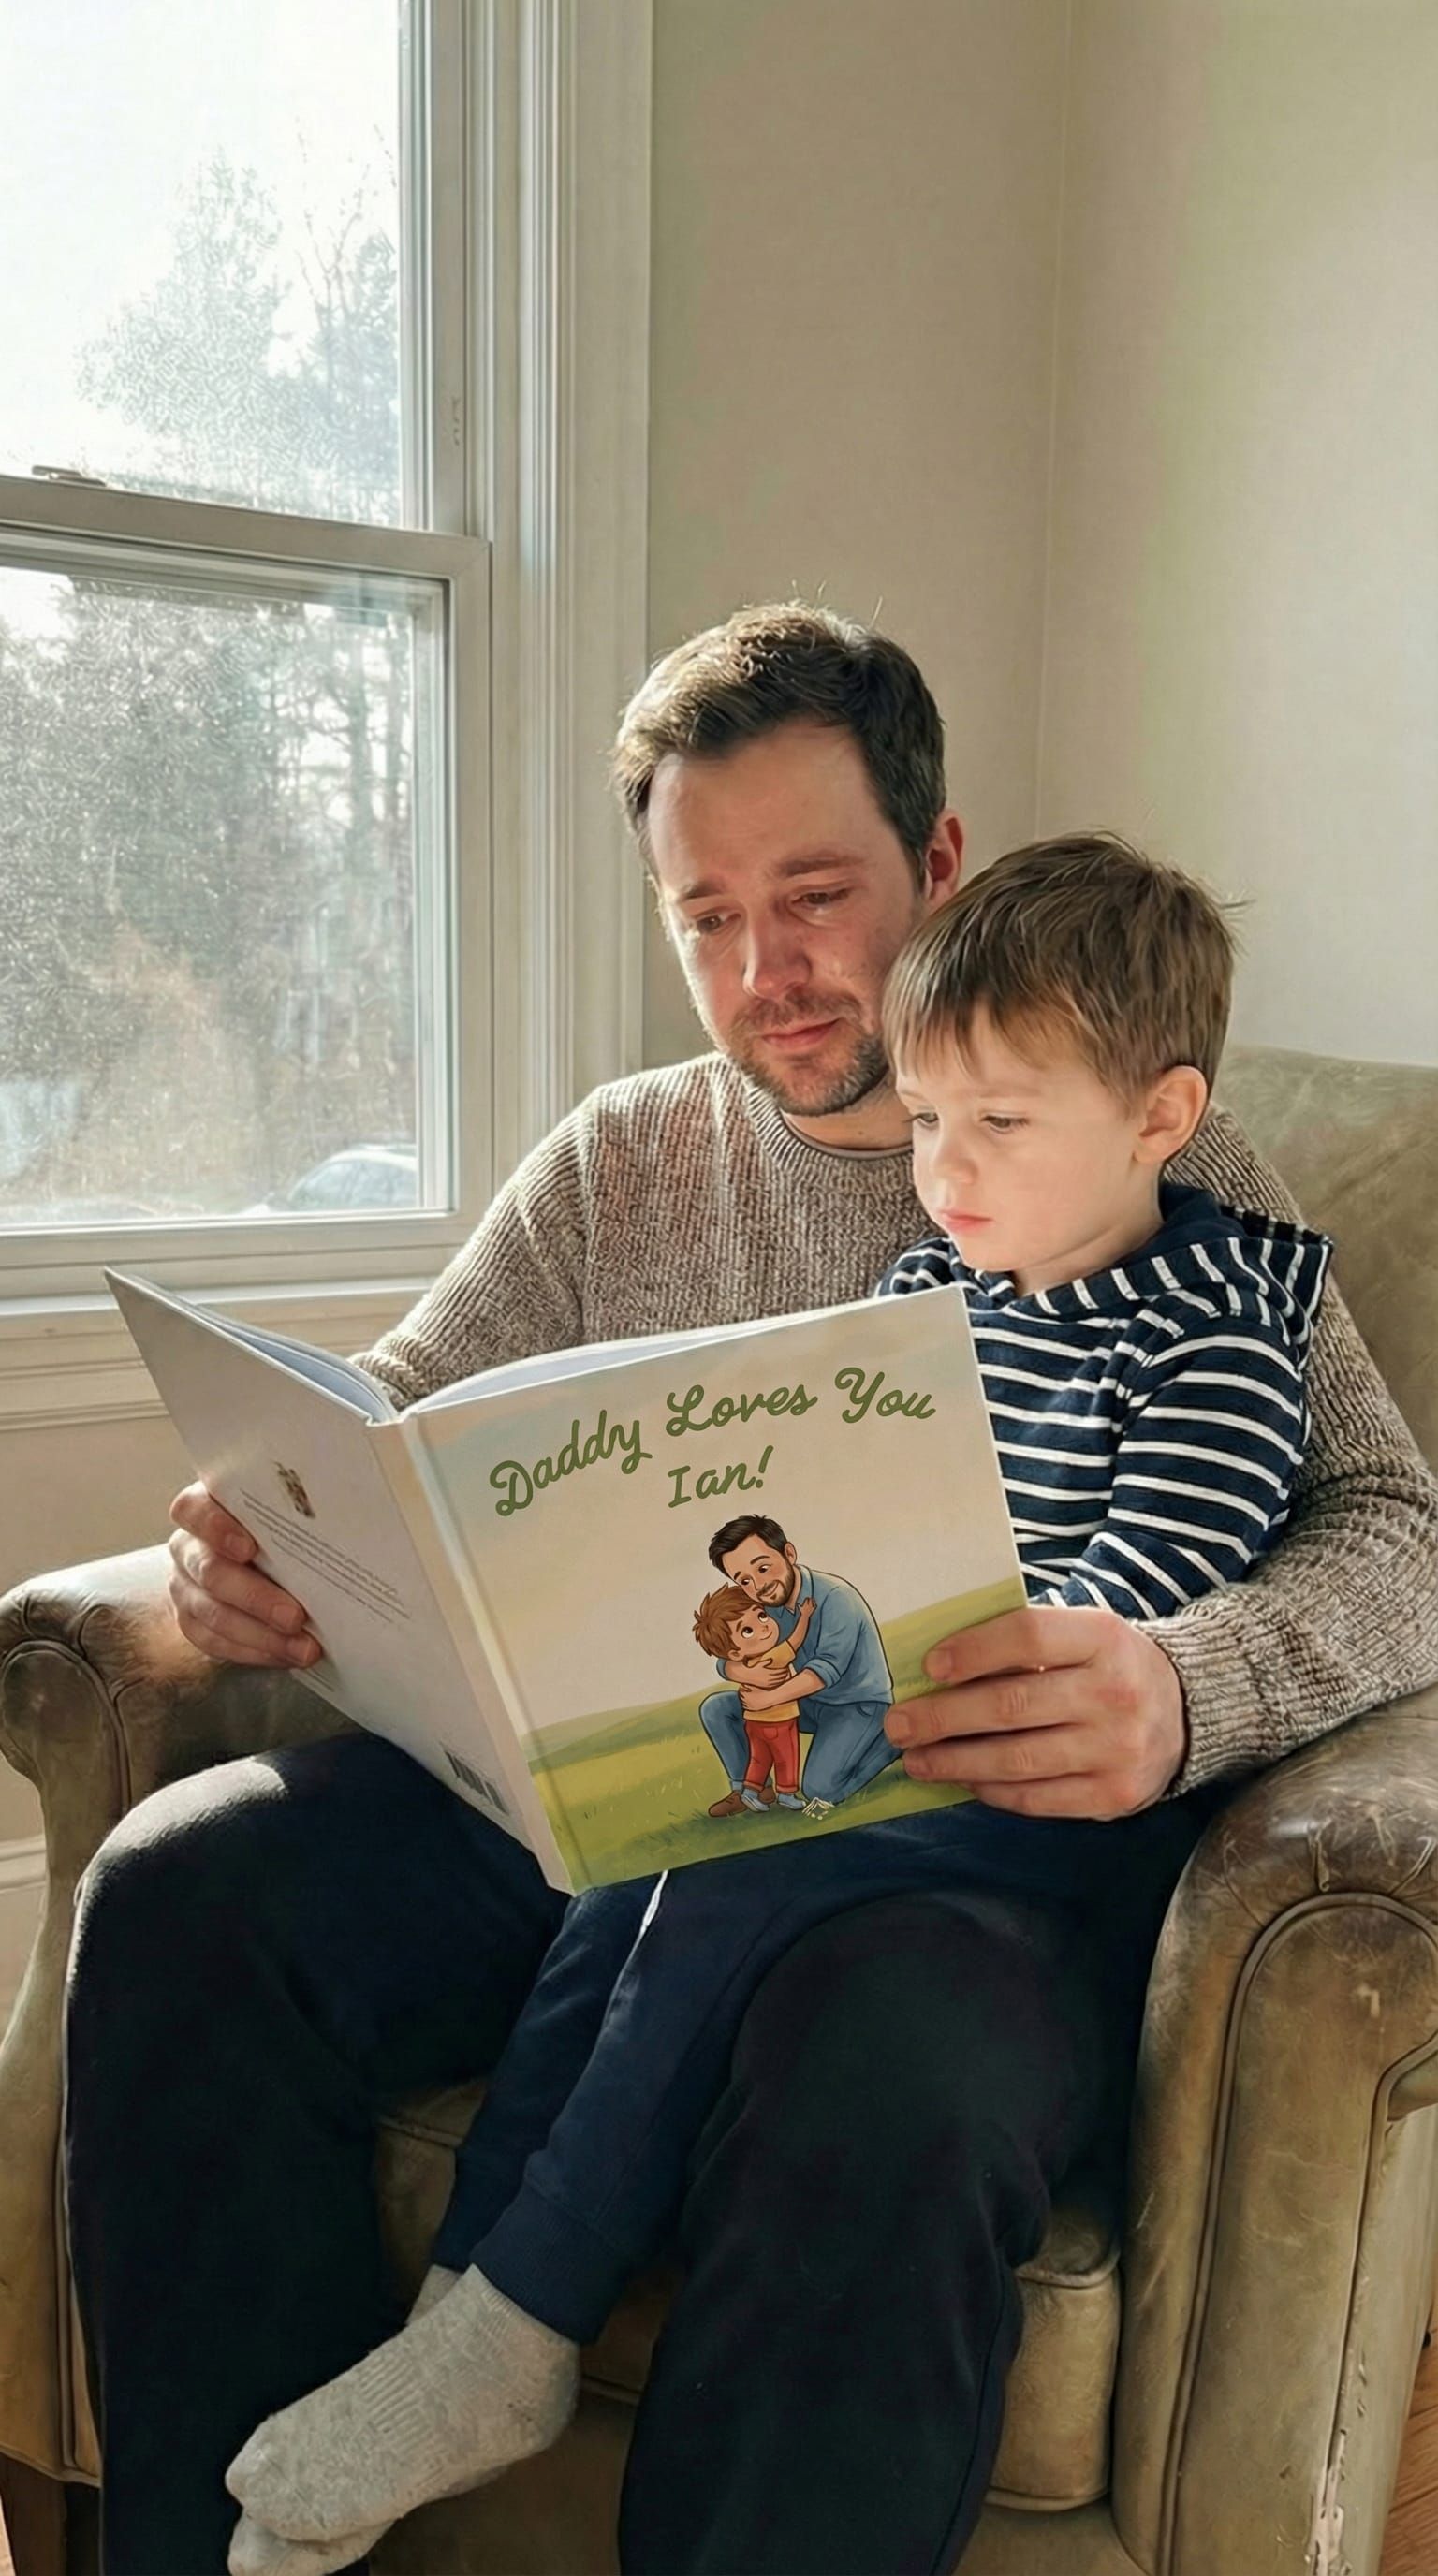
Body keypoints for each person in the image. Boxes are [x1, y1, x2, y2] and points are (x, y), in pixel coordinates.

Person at [62, 607, 1438, 2576]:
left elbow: (1398, 1527)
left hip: (964, 1853)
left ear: (939, 866)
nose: (766, 972)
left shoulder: (1162, 1164)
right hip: (603, 1803)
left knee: (886, 2067)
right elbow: (391, 1419)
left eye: (815, 895)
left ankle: (515, 2324)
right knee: (184, 1887)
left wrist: (1180, 1678)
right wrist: (254, 1531)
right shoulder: (624, 1159)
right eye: (706, 916)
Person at [697, 1515, 893, 1815]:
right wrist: (741, 1671)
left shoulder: (835, 1597)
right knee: (716, 1708)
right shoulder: (761, 1607)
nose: (758, 1586)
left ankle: (895, 1740)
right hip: (803, 1706)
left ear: (789, 1554)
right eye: (744, 1580)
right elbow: (727, 1651)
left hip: (857, 1706)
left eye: (763, 1568)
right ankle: (752, 1790)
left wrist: (767, 1698)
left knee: (819, 1789)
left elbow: (824, 1670)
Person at [693, 1571, 815, 1812]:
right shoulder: (774, 1655)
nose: (764, 1628)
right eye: (747, 1631)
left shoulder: (756, 1654)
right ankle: (780, 1793)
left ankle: (751, 1791)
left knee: (759, 1759)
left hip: (758, 1720)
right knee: (785, 1757)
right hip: (780, 1721)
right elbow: (796, 1641)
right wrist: (806, 1616)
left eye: (761, 1616)